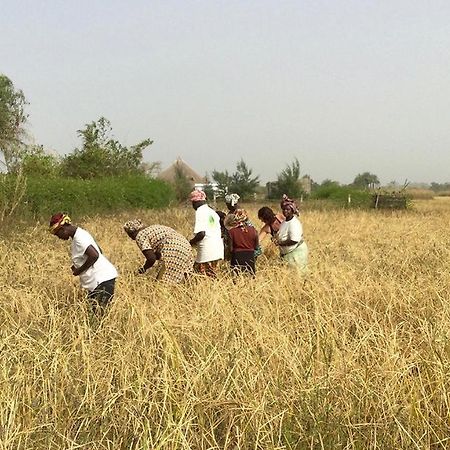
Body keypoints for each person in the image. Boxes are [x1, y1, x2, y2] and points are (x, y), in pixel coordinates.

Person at [49, 212, 118, 309]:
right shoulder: (80, 234)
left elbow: (95, 255)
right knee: (95, 313)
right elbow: (99, 250)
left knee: (98, 316)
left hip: (101, 280)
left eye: (57, 234)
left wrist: (79, 270)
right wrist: (79, 264)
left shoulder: (79, 238)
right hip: (100, 280)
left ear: (63, 228)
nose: (59, 237)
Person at [123, 220, 193, 283]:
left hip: (174, 249)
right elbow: (158, 253)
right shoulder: (151, 229)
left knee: (164, 283)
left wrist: (143, 269)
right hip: (186, 247)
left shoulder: (140, 235)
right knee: (184, 281)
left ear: (130, 233)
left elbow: (151, 258)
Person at [189, 189, 224, 277]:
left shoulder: (200, 212)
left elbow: (201, 234)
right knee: (213, 277)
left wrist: (190, 242)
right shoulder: (212, 212)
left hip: (206, 252)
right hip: (217, 250)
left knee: (198, 277)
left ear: (194, 202)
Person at [274, 195, 308, 273]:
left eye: (288, 209)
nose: (285, 211)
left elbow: (294, 240)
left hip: (296, 252)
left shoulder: (294, 223)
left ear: (293, 210)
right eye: (284, 209)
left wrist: (280, 243)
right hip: (287, 253)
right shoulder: (284, 222)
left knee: (297, 275)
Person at [224, 193, 262, 257]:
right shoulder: (234, 212)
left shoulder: (237, 213)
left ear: (231, 204)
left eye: (227, 204)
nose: (227, 206)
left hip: (240, 238)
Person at [227, 209, 258, 276]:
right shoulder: (254, 230)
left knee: (236, 280)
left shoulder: (231, 232)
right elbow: (256, 247)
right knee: (250, 280)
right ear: (246, 218)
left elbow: (230, 249)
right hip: (250, 258)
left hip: (237, 257)